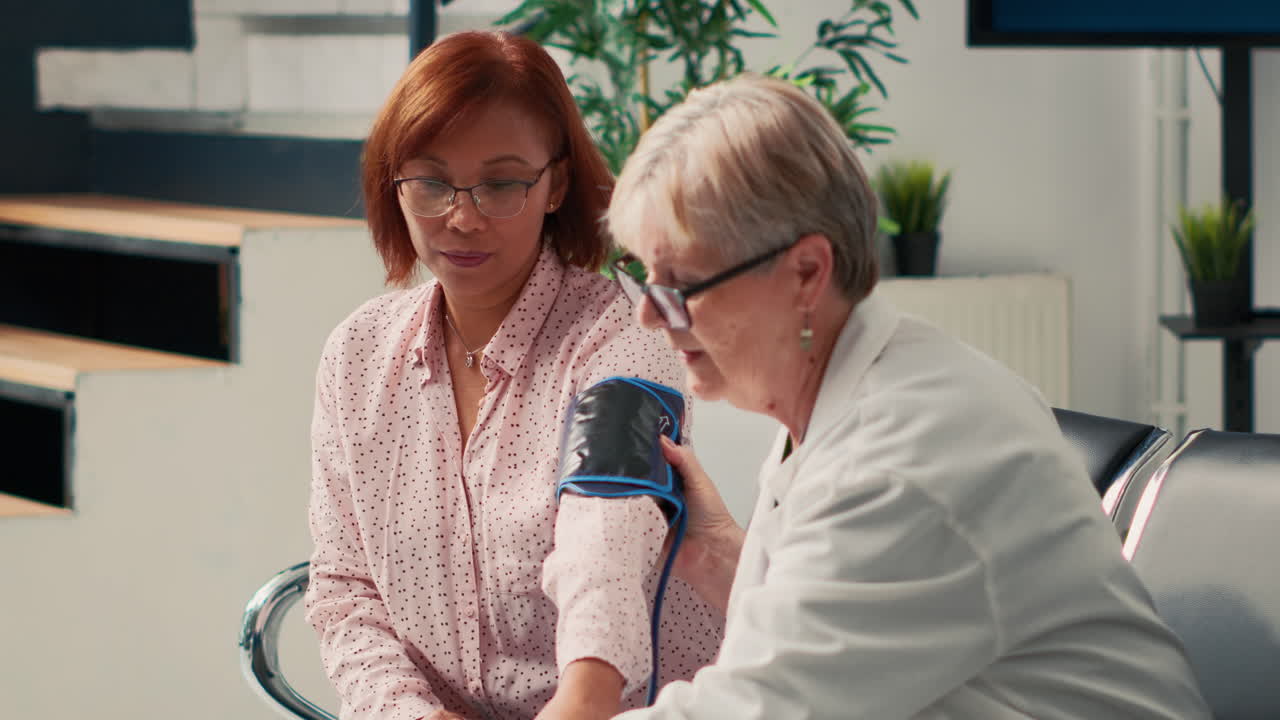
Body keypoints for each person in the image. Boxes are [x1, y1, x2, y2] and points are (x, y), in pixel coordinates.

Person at [602, 73, 1211, 719]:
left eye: (681, 285)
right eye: (644, 276)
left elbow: (763, 708)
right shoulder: (846, 388)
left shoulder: (901, 455)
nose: (649, 315)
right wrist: (716, 551)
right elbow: (842, 629)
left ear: (806, 273)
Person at [304, 30, 723, 720]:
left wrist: (583, 698)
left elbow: (604, 540)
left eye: (501, 184)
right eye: (431, 183)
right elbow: (346, 587)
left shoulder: (623, 336)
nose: (462, 218)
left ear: (556, 184)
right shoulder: (359, 353)